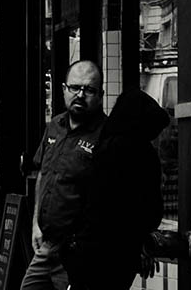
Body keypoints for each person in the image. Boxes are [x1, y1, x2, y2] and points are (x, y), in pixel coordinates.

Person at [63, 87, 169, 290]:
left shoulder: (103, 147)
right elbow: (147, 209)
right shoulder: (141, 153)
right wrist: (142, 243)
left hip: (87, 251)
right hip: (119, 254)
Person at [21, 60, 108, 290]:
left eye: (89, 90)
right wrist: (35, 223)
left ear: (100, 95)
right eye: (75, 87)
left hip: (79, 252)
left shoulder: (107, 136)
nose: (80, 95)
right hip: (47, 245)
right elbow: (43, 174)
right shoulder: (54, 126)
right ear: (63, 89)